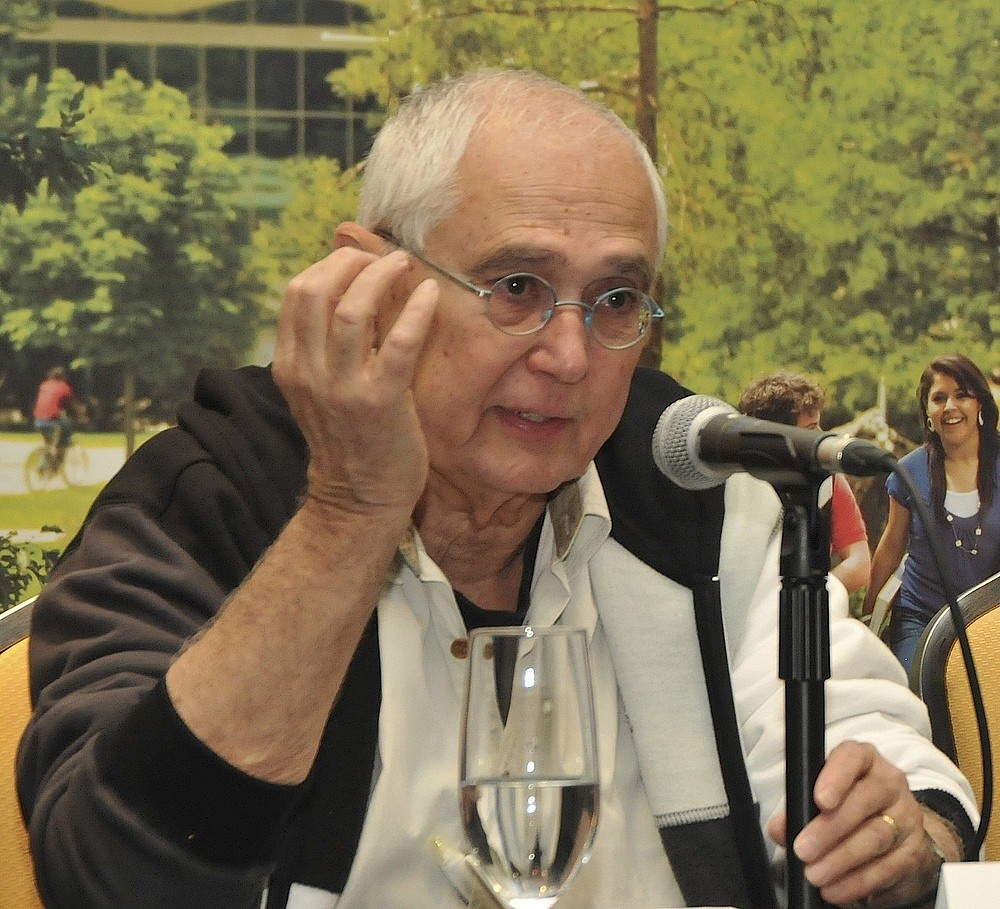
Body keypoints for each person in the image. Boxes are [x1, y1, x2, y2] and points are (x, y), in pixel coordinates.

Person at [17, 69, 975, 909]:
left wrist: (901, 831)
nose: (569, 356)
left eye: (616, 300)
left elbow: (870, 741)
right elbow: (115, 874)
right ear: (373, 277)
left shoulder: (683, 481)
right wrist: (349, 514)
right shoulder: (212, 496)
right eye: (517, 285)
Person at [864, 354, 1000, 676]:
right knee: (917, 699)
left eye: (961, 395)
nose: (950, 406)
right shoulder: (908, 471)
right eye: (939, 398)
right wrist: (868, 616)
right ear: (927, 412)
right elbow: (892, 545)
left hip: (990, 619)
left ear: (979, 403)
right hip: (921, 618)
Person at [738, 371, 872, 596]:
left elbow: (859, 563)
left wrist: (811, 595)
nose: (821, 436)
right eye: (811, 428)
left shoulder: (829, 482)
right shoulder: (738, 482)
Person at [31, 366, 79, 469]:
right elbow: (73, 404)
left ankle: (43, 467)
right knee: (68, 428)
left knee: (48, 445)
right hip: (51, 420)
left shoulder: (44, 385)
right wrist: (81, 415)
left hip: (38, 420)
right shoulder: (64, 387)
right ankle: (61, 449)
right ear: (63, 377)